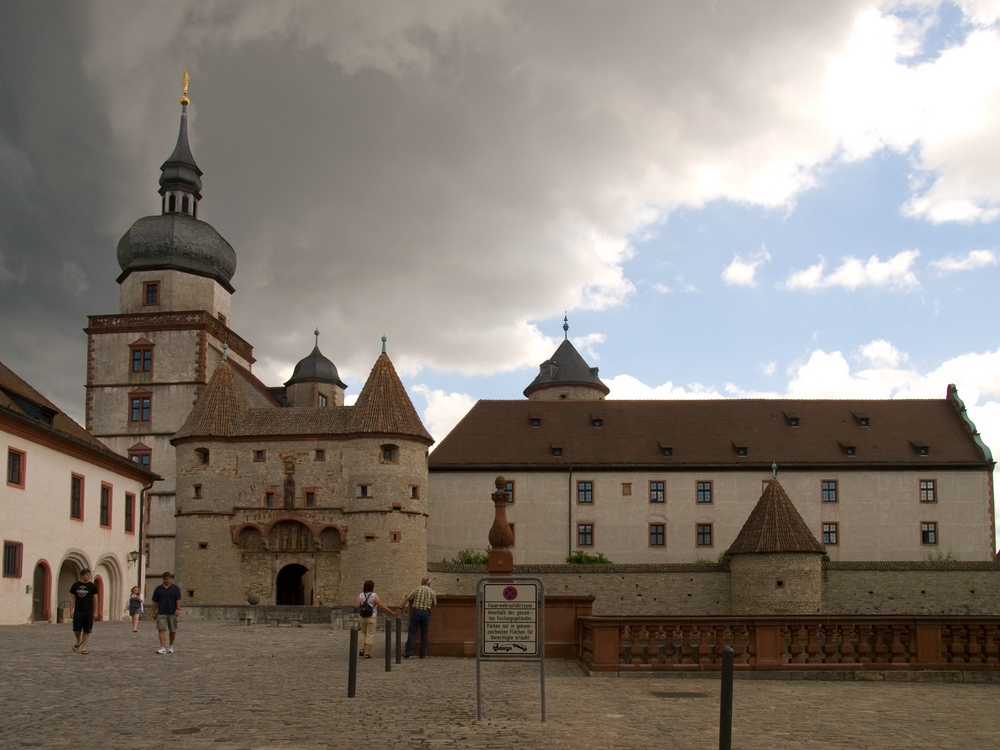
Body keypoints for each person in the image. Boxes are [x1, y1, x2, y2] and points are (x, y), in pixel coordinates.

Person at [356, 580, 399, 659]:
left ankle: (362, 649)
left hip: (362, 616)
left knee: (363, 633)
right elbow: (381, 605)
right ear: (372, 587)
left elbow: (357, 605)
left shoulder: (361, 595)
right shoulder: (374, 595)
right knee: (370, 635)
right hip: (372, 616)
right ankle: (367, 653)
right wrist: (391, 612)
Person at [399, 576, 436, 659]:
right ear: (429, 583)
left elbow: (408, 598)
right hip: (426, 612)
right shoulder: (432, 592)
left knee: (412, 632)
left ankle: (409, 651)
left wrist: (400, 608)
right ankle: (422, 654)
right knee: (424, 634)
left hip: (416, 611)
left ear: (421, 582)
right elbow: (435, 603)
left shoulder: (417, 589)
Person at [150, 572, 181, 654]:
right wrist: (154, 612)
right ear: (162, 579)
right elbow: (154, 602)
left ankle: (171, 646)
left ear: (170, 579)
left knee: (172, 629)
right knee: (161, 629)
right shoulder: (158, 589)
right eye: (164, 579)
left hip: (172, 612)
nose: (166, 580)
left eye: (167, 579)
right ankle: (162, 647)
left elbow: (178, 600)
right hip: (161, 612)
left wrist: (178, 609)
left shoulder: (175, 588)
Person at [69, 568, 99, 654]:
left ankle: (84, 648)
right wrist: (71, 611)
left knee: (87, 630)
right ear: (82, 576)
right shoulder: (75, 585)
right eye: (87, 575)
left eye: (89, 575)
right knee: (76, 629)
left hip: (88, 611)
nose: (88, 576)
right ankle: (78, 641)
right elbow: (71, 598)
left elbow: (96, 600)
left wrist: (96, 611)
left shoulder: (92, 586)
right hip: (78, 610)